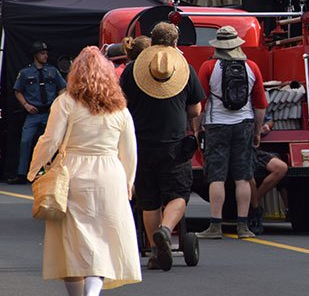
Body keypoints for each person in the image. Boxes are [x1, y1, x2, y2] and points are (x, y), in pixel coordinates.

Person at [28, 46, 141, 295]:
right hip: (110, 174)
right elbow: (129, 151)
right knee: (103, 241)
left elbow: (51, 140)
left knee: (70, 242)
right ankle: (92, 292)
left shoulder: (65, 103)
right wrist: (128, 182)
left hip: (73, 174)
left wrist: (35, 168)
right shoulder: (120, 109)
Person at [121, 22, 205, 271]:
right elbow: (195, 109)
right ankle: (166, 230)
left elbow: (122, 104)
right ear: (175, 44)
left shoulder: (131, 70)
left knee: (149, 200)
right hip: (174, 144)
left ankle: (157, 253)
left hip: (141, 144)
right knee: (179, 194)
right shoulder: (185, 69)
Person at [196, 26, 268, 240]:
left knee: (216, 177)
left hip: (216, 124)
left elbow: (201, 100)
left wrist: (196, 126)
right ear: (237, 45)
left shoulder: (209, 66)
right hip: (244, 123)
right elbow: (261, 104)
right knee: (243, 177)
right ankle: (243, 226)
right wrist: (256, 131)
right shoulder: (251, 67)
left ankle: (215, 226)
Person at [10, 41, 67, 184]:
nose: (46, 56)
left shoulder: (52, 71)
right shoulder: (25, 72)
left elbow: (62, 88)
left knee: (51, 142)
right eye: (42, 53)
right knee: (25, 141)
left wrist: (57, 103)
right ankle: (22, 173)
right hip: (33, 113)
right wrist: (26, 105)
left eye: (46, 53)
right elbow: (18, 91)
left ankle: (47, 172)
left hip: (49, 112)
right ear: (35, 55)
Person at [247, 117, 288, 235]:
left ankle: (254, 203)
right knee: (247, 173)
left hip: (256, 148)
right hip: (240, 148)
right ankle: (255, 210)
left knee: (281, 168)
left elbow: (269, 119)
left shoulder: (253, 102)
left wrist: (266, 126)